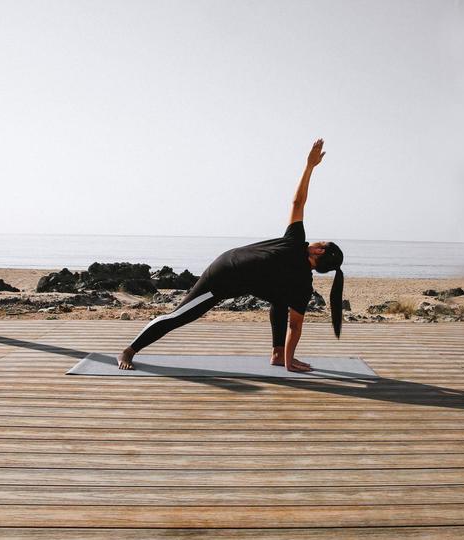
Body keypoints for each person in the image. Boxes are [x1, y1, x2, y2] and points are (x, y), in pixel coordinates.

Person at [118, 138, 344, 372]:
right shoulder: (302, 281)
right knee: (182, 316)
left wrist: (309, 166)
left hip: (234, 276)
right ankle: (129, 350)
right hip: (225, 272)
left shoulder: (296, 245)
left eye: (322, 242)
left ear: (319, 250)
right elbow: (295, 327)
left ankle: (277, 354)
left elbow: (298, 201)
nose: (317, 240)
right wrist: (291, 362)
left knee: (280, 297)